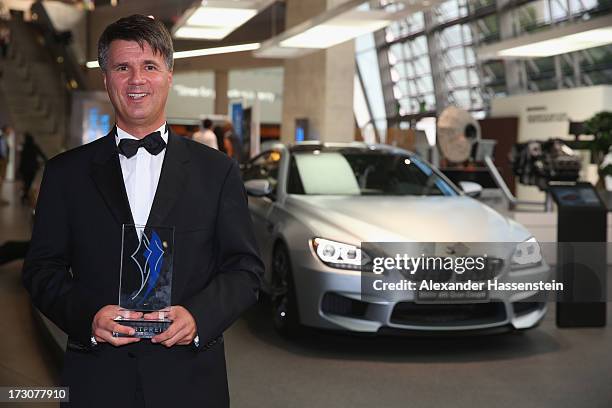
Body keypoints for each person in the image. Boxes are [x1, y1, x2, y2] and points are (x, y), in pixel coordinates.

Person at [22, 15, 263, 408]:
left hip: (190, 381)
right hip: (96, 380)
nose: (136, 80)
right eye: (122, 67)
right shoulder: (66, 173)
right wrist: (89, 319)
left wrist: (199, 316)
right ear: (106, 79)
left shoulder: (217, 171)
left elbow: (245, 269)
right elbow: (41, 269)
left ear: (169, 75)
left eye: (149, 66)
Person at [18, 132, 47, 204]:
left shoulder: (24, 147)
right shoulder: (34, 146)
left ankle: (25, 196)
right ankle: (26, 196)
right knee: (29, 182)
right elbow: (42, 155)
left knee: (26, 182)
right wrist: (47, 161)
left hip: (24, 168)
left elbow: (21, 159)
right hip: (32, 168)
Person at [0, 125, 9, 205]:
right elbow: (3, 152)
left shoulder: (5, 139)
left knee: (2, 180)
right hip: (2, 161)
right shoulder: (2, 139)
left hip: (3, 161)